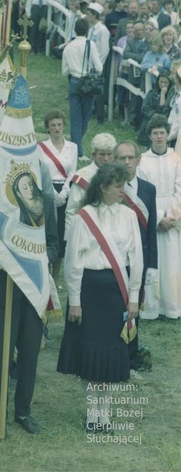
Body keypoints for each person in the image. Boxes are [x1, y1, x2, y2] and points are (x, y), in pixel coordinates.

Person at [58, 164, 143, 432]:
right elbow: (73, 262)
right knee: (91, 356)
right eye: (118, 186)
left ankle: (104, 415)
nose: (123, 190)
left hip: (116, 291)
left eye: (124, 185)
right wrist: (74, 301)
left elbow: (136, 260)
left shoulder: (128, 216)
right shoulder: (84, 216)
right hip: (89, 290)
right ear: (104, 187)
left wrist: (133, 297)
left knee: (108, 357)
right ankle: (91, 412)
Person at [0, 185, 59, 440]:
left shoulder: (44, 201)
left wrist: (40, 260)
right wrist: (3, 262)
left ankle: (23, 411)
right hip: (2, 290)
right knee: (0, 356)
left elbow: (54, 243)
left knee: (29, 354)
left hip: (33, 291)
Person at [114, 141, 157, 372]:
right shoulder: (109, 187)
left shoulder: (149, 189)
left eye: (131, 157)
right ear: (115, 160)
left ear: (139, 160)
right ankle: (115, 355)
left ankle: (131, 357)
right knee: (114, 308)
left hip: (139, 261)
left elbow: (150, 230)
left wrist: (153, 265)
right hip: (115, 259)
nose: (127, 162)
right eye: (122, 158)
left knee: (134, 310)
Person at [137, 114, 181, 320]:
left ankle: (172, 306)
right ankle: (153, 307)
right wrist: (159, 217)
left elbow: (180, 189)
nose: (159, 137)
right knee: (155, 260)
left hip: (174, 218)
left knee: (173, 260)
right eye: (155, 133)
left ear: (167, 134)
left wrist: (172, 216)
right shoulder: (143, 162)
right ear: (150, 136)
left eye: (162, 133)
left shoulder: (176, 159)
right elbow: (143, 193)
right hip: (153, 215)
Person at [39, 109, 77, 289]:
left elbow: (73, 171)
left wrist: (65, 191)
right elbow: (40, 172)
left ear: (64, 126)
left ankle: (56, 276)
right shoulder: (40, 147)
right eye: (52, 125)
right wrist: (53, 194)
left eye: (59, 125)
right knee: (48, 231)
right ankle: (44, 271)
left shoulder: (73, 147)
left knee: (61, 232)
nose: (56, 128)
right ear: (47, 127)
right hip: (47, 191)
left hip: (66, 190)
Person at [62, 18, 102, 161]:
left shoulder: (68, 46)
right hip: (87, 82)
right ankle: (77, 150)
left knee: (75, 118)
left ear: (75, 30)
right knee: (84, 117)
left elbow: (64, 71)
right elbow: (99, 67)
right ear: (87, 30)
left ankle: (75, 146)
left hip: (73, 81)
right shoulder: (90, 44)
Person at [137, 73, 174, 147]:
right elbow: (145, 107)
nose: (163, 84)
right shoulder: (152, 93)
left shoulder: (171, 96)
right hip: (150, 120)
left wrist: (163, 95)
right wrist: (154, 115)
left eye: (165, 82)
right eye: (161, 82)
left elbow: (163, 110)